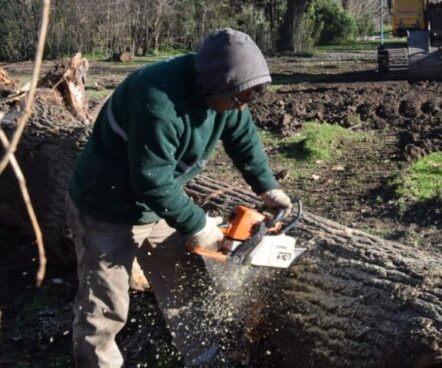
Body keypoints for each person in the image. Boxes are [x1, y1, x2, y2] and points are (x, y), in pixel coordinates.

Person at [66, 29, 292, 367]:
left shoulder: (228, 92)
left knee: (186, 287)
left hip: (154, 205)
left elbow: (243, 137)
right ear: (208, 86)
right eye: (237, 100)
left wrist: (267, 188)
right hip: (105, 207)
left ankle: (207, 359)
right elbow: (151, 180)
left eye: (246, 99)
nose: (241, 107)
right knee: (106, 305)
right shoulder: (159, 101)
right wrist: (197, 224)